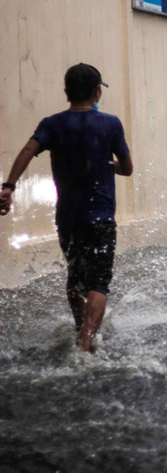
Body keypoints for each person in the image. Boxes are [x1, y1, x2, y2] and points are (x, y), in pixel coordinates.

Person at [0, 63, 134, 352]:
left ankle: (78, 328)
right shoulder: (110, 124)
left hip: (67, 220)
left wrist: (9, 186)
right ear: (97, 91)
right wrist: (106, 163)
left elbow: (27, 150)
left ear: (66, 91)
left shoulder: (52, 124)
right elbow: (127, 168)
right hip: (100, 219)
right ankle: (84, 346)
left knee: (75, 277)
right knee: (98, 282)